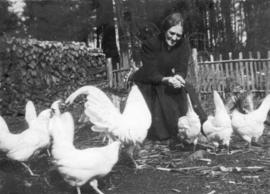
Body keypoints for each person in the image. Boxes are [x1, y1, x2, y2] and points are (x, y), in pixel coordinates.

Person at [132, 12, 207, 143]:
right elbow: (151, 71)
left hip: (169, 77)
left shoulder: (183, 45)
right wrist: (167, 80)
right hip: (149, 80)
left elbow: (182, 67)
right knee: (163, 93)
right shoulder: (150, 44)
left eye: (178, 35)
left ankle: (201, 126)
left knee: (186, 88)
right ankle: (174, 131)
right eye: (171, 33)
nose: (174, 38)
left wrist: (178, 77)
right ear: (165, 29)